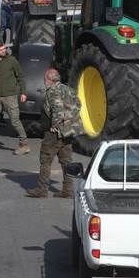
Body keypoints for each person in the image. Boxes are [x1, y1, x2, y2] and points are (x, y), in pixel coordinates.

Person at [26, 70, 82, 198]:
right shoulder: (67, 89)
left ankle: (42, 189)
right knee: (66, 161)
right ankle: (68, 190)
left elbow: (57, 108)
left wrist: (55, 125)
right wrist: (68, 120)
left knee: (45, 159)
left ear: (49, 79)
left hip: (54, 133)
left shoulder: (52, 91)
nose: (44, 81)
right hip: (68, 131)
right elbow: (78, 105)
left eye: (45, 78)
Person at [0, 41, 29, 156]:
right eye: (1, 50)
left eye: (4, 49)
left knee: (15, 121)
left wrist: (23, 92)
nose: (4, 51)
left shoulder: (12, 60)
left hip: (10, 96)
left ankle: (24, 145)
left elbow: (21, 77)